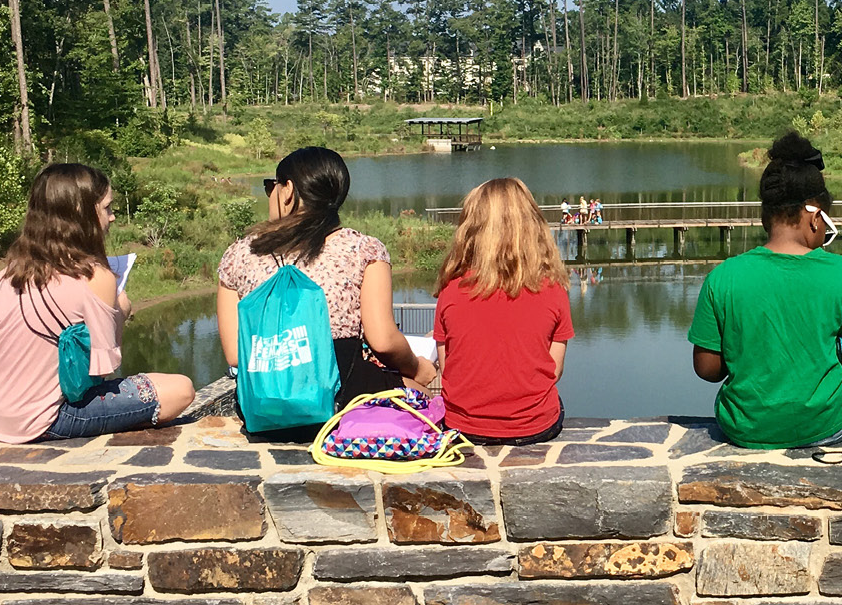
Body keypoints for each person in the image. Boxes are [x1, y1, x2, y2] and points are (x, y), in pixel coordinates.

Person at [0, 163, 194, 443]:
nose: (113, 216)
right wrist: (121, 310)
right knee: (181, 389)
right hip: (47, 419)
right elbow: (104, 367)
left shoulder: (14, 273)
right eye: (107, 208)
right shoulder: (97, 276)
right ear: (82, 214)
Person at [688, 132, 842, 449]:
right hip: (825, 427)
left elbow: (707, 369)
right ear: (816, 217)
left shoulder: (723, 277)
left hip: (744, 428)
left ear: (766, 215)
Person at [217, 147, 427, 413]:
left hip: (264, 408)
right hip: (343, 400)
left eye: (271, 187)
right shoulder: (364, 250)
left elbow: (236, 354)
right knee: (420, 396)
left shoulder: (238, 255)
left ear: (288, 190)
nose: (270, 194)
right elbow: (383, 340)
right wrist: (417, 367)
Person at [431, 177, 574, 445]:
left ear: (470, 230)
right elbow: (553, 371)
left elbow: (448, 366)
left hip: (463, 426)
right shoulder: (553, 288)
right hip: (535, 425)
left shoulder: (450, 291)